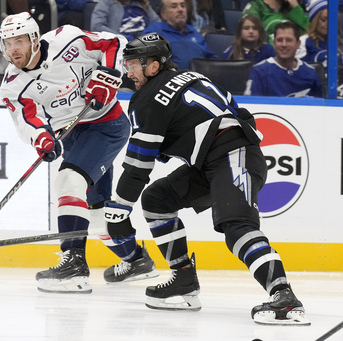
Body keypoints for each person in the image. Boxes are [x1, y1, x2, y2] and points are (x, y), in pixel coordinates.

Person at [104, 31, 310, 325]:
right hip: (217, 156)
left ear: (153, 66)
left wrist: (120, 207)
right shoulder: (192, 76)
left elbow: (139, 163)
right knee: (156, 200)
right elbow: (223, 112)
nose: (128, 71)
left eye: (133, 64)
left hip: (231, 154)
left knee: (237, 226)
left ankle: (284, 297)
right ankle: (184, 280)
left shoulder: (147, 99)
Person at [0, 12, 158, 293]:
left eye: (19, 41)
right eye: (8, 43)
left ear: (34, 39)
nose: (13, 49)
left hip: (106, 126)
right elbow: (27, 122)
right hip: (72, 138)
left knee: (68, 181)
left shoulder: (68, 39)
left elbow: (113, 43)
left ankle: (73, 264)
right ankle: (136, 260)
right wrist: (43, 139)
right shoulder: (12, 85)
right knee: (97, 214)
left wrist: (110, 73)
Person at [245, 20, 323, 97]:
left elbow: (320, 106)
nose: (284, 44)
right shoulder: (259, 71)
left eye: (289, 40)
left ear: (298, 44)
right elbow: (252, 105)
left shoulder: (310, 72)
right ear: (274, 43)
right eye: (279, 40)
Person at [142, 0, 218, 69]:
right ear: (163, 14)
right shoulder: (155, 30)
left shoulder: (194, 32)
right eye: (174, 6)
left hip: (200, 80)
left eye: (183, 6)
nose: (180, 9)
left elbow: (212, 60)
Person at [296, 0, 343, 69]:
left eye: (331, 20)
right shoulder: (303, 41)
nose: (328, 24)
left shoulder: (338, 43)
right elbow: (298, 69)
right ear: (315, 20)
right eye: (323, 20)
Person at [90, 0, 161, 41]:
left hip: (145, 43)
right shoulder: (106, 3)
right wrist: (122, 38)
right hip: (120, 44)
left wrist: (146, 36)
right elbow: (96, 27)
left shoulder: (143, 4)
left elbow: (158, 24)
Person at [242, 0, 309, 41]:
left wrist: (296, 7)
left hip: (296, 53)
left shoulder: (293, 9)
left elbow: (311, 32)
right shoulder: (256, 6)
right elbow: (248, 31)